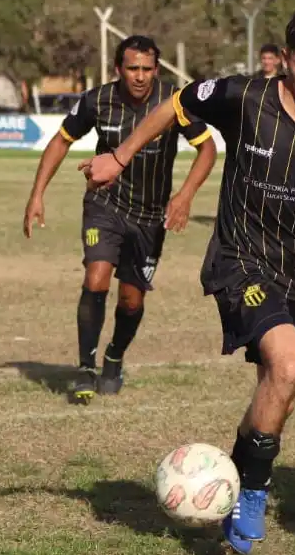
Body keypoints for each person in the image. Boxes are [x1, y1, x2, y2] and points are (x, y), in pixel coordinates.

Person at [81, 5, 295, 555]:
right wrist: (120, 156)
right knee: (287, 364)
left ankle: (236, 483)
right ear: (286, 59)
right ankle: (254, 494)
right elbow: (175, 104)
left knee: (280, 391)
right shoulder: (243, 96)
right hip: (239, 259)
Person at [24, 35, 217, 400]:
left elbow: (207, 149)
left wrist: (185, 195)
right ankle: (85, 368)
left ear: (156, 70)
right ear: (118, 69)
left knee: (131, 300)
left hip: (150, 216)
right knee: (96, 278)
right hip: (105, 204)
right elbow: (61, 141)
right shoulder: (97, 100)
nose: (140, 76)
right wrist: (37, 194)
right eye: (132, 68)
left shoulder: (173, 102)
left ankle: (114, 357)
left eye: (147, 69)